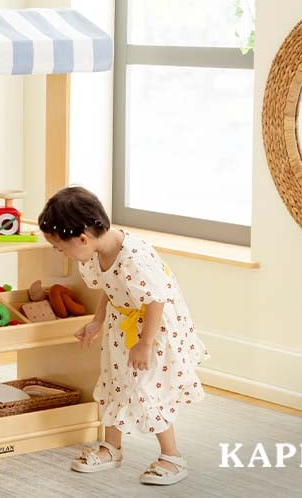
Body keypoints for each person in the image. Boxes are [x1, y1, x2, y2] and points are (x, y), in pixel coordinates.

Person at [37, 186, 208, 486]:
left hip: (153, 329)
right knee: (115, 381)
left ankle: (172, 456)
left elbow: (156, 300)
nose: (60, 253)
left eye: (61, 248)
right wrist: (97, 320)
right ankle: (111, 447)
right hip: (123, 324)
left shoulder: (135, 257)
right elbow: (109, 285)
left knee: (146, 387)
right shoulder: (99, 251)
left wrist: (145, 344)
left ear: (82, 238)